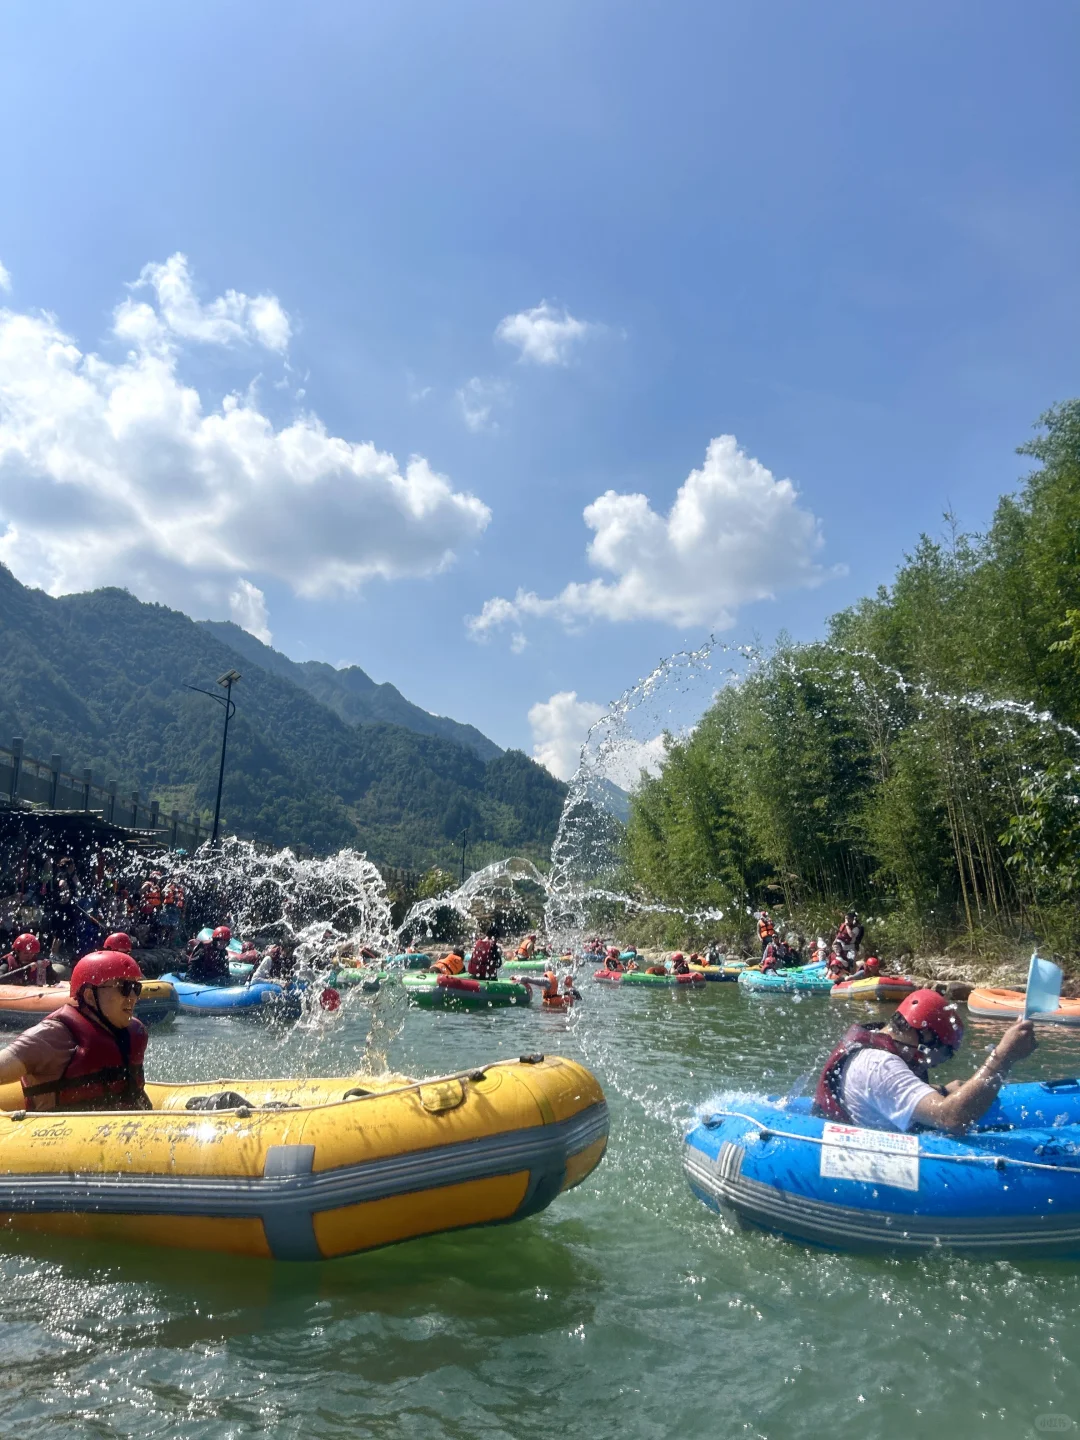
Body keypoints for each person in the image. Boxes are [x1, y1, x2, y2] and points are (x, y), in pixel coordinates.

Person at [813, 988, 1037, 1134]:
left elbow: (882, 1091)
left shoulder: (874, 1051)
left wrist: (940, 1089)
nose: (939, 1062)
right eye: (946, 1052)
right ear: (925, 1036)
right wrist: (1003, 1057)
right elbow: (951, 1118)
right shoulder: (881, 1065)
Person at [0, 951, 151, 1111]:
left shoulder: (134, 1033)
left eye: (136, 987)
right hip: (57, 1133)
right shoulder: (52, 1037)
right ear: (90, 996)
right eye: (124, 988)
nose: (133, 997)